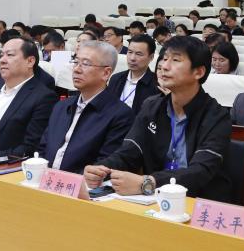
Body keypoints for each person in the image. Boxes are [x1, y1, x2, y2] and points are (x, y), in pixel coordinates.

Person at [84, 35, 231, 202]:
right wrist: (101, 168)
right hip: (156, 199)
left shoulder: (217, 116)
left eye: (175, 60)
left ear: (199, 72)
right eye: (164, 58)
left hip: (200, 201)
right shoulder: (152, 106)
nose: (164, 66)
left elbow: (201, 171)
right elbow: (130, 152)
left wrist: (149, 182)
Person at [39, 41, 133, 174]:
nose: (76, 69)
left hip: (81, 183)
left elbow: (104, 165)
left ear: (106, 73)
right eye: (76, 62)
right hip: (44, 179)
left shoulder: (120, 115)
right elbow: (43, 149)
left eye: (85, 64)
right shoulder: (61, 106)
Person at [107, 34, 158, 114]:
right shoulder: (116, 78)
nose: (132, 58)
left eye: (138, 54)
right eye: (130, 52)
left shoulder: (157, 83)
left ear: (151, 57)